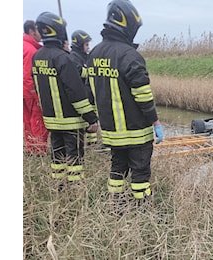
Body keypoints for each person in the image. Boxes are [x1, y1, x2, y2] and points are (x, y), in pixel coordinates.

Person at [86, 0, 164, 215]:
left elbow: (89, 92)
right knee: (140, 174)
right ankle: (143, 212)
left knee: (117, 170)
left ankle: (116, 208)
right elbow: (143, 95)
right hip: (136, 132)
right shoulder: (130, 56)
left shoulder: (94, 54)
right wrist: (155, 122)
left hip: (111, 133)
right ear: (127, 25)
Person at [32, 11, 99, 190]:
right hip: (70, 122)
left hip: (51, 121)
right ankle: (75, 190)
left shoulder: (37, 57)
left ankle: (58, 186)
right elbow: (76, 93)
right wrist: (91, 117)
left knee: (57, 157)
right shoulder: (63, 58)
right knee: (74, 158)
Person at [69, 30, 106, 150]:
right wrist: (92, 70)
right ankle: (89, 144)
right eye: (86, 44)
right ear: (79, 44)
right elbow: (79, 72)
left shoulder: (84, 56)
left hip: (90, 94)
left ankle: (92, 144)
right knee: (87, 121)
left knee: (93, 119)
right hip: (83, 95)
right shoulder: (73, 57)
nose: (88, 47)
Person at [23, 20, 49, 156]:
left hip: (23, 92)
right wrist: (36, 95)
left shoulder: (23, 46)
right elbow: (28, 75)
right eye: (39, 31)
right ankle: (39, 149)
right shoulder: (31, 50)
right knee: (38, 120)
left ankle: (30, 148)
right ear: (32, 31)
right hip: (29, 91)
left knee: (27, 121)